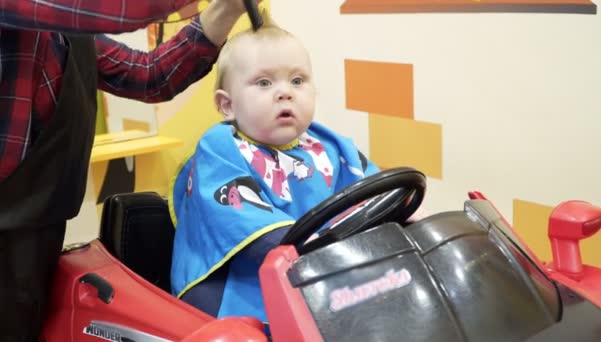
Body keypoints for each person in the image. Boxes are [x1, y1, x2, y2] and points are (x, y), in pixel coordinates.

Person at [0, 0, 257, 340]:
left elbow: (149, 75)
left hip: (33, 240)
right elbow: (126, 9)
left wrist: (225, 11)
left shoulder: (66, 34)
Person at [169, 16, 384, 325]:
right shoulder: (220, 148)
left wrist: (411, 212)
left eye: (297, 81)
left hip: (317, 270)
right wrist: (324, 249)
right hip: (239, 283)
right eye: (264, 83)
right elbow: (252, 229)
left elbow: (376, 190)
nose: (285, 93)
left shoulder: (325, 144)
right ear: (227, 105)